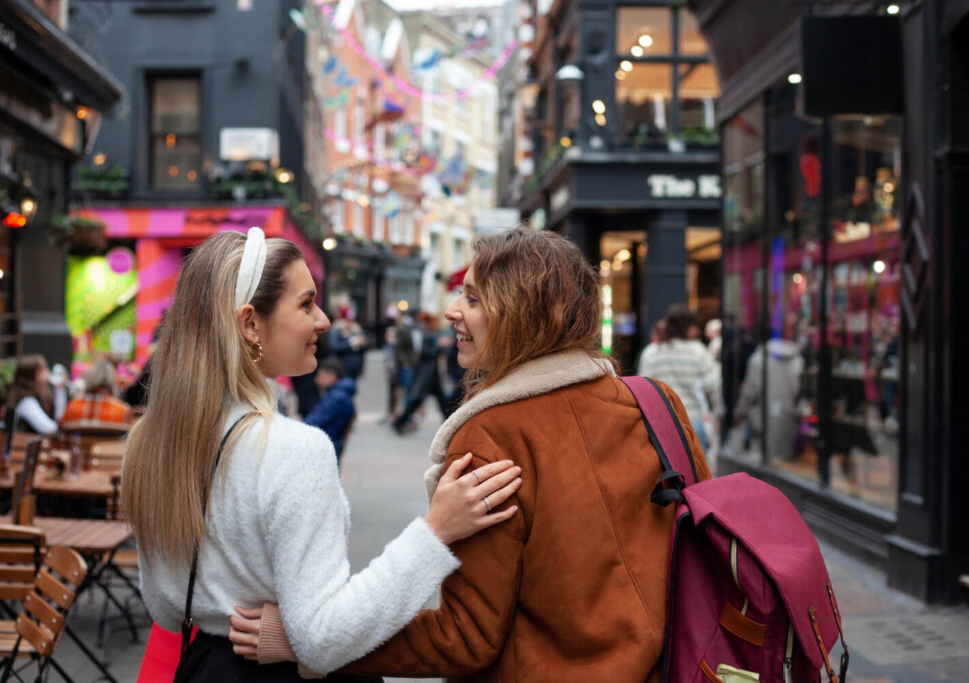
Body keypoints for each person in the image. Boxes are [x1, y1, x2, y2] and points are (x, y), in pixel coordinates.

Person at [231, 227, 712, 681]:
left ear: (522, 314)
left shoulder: (493, 434)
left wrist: (310, 643)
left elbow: (466, 636)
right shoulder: (656, 404)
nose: (452, 311)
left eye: (474, 298)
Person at [123, 228, 522, 681]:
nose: (324, 321)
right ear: (250, 323)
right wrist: (435, 531)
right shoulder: (293, 450)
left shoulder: (148, 443)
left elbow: (164, 605)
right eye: (306, 303)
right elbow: (323, 638)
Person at [637, 303, 722, 452]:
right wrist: (718, 412)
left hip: (660, 423)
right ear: (688, 327)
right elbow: (712, 387)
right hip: (691, 420)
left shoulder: (651, 353)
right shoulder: (698, 351)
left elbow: (641, 391)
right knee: (696, 472)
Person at [734, 320, 805, 461]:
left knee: (764, 464)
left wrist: (739, 412)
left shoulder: (757, 360)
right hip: (788, 416)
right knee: (784, 461)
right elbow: (799, 388)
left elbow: (750, 393)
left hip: (762, 419)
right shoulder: (795, 358)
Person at [303, 357, 356, 460]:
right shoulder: (339, 394)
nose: (317, 380)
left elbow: (314, 421)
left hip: (330, 442)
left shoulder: (336, 397)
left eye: (320, 375)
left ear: (332, 376)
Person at [60, 360, 134, 426]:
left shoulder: (72, 407)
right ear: (112, 381)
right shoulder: (123, 411)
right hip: (109, 441)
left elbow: (61, 430)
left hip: (81, 441)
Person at [4, 354, 59, 437]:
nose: (47, 371)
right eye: (43, 368)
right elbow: (48, 428)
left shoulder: (40, 394)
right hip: (20, 448)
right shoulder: (26, 400)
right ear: (32, 374)